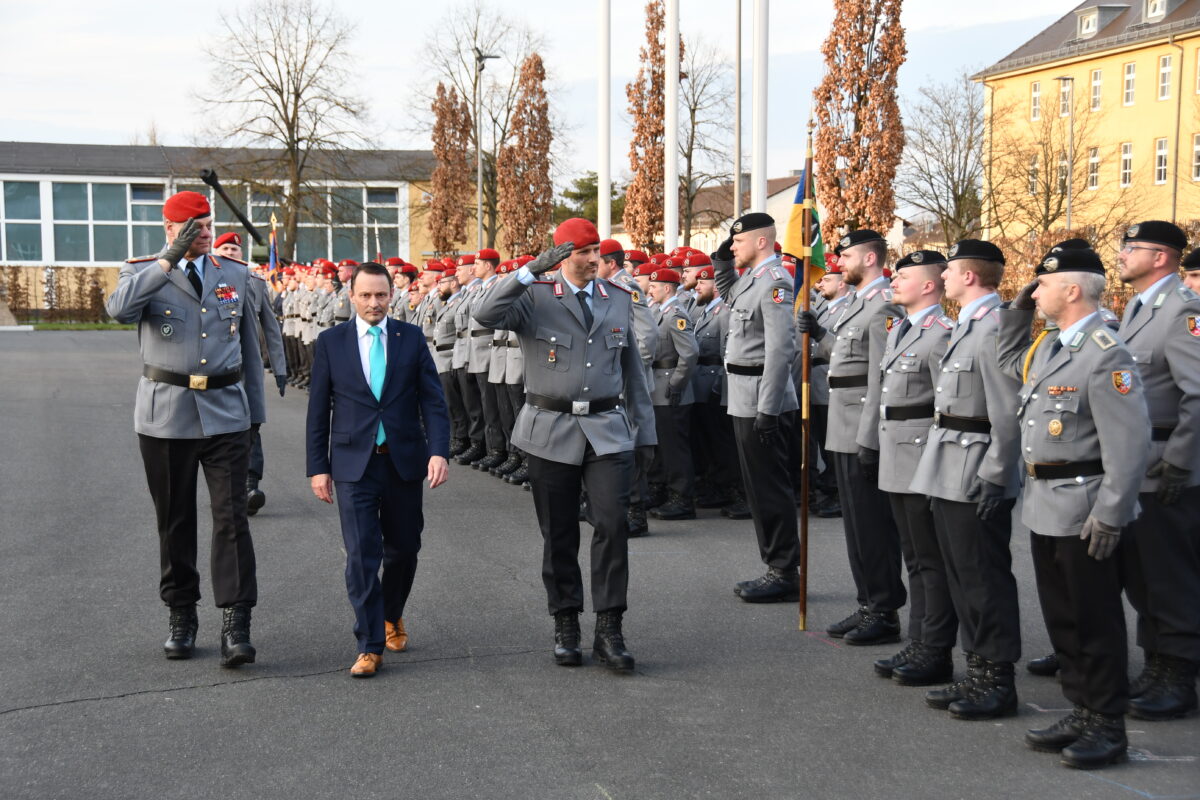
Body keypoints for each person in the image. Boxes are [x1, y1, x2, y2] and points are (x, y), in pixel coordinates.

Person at [473, 218, 656, 672]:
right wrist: (529, 271)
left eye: (596, 251)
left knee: (613, 525)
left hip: (607, 428)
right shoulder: (533, 297)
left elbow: (632, 370)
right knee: (558, 532)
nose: (594, 259)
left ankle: (609, 629)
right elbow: (485, 314)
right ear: (560, 255)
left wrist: (646, 432)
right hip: (550, 429)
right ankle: (566, 621)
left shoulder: (618, 298)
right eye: (583, 252)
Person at [997, 245, 1151, 770]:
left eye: (1041, 284)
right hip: (1045, 504)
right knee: (1063, 618)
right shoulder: (1049, 348)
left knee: (1095, 620)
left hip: (1086, 507)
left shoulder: (1106, 352)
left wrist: (1111, 512)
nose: (1034, 290)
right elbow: (1006, 365)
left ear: (1072, 288)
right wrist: (1017, 314)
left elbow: (1129, 445)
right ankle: (1081, 709)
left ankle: (1107, 723)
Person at [105, 191, 260, 667]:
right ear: (170, 229)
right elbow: (118, 310)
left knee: (232, 518)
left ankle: (236, 621)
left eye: (209, 224)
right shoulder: (141, 272)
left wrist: (255, 415)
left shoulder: (234, 274)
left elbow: (249, 347)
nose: (207, 233)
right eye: (195, 225)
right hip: (166, 415)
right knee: (174, 519)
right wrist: (168, 260)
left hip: (226, 413)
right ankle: (181, 614)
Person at [306, 261, 450, 678]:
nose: (373, 302)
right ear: (351, 296)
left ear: (392, 296)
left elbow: (434, 402)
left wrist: (438, 452)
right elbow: (318, 411)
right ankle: (369, 644)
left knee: (404, 549)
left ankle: (392, 613)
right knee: (362, 556)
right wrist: (319, 466)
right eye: (365, 295)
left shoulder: (410, 339)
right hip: (354, 465)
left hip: (404, 462)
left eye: (381, 295)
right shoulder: (331, 342)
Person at [910, 239, 1023, 721]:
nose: (945, 277)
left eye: (951, 269)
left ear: (970, 276)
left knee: (983, 576)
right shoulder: (968, 325)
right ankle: (976, 668)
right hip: (949, 465)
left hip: (975, 468)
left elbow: (1007, 413)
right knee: (960, 573)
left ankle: (996, 679)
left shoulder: (994, 326)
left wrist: (997, 476)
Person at [798, 229, 905, 641]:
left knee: (873, 525)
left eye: (846, 255)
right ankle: (867, 603)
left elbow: (881, 376)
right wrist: (822, 336)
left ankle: (884, 610)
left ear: (871, 259)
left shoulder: (883, 307)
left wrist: (870, 437)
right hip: (842, 426)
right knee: (856, 525)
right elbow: (844, 355)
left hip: (861, 424)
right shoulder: (857, 304)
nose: (838, 262)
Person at [1113, 221, 1200, 720]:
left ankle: (1179, 674)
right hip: (1136, 465)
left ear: (1162, 256)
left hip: (1166, 466)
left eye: (1133, 248)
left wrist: (1179, 464)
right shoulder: (1137, 308)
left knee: (1171, 576)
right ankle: (1155, 663)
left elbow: (1197, 395)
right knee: (1143, 575)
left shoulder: (1182, 313)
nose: (1122, 255)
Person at [868, 250, 955, 687]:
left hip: (920, 454)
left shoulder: (940, 334)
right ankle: (920, 639)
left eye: (904, 276)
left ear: (929, 285)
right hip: (897, 451)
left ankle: (934, 647)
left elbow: (947, 407)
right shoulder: (903, 329)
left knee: (929, 557)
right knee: (914, 555)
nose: (894, 281)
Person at [712, 212, 801, 604]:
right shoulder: (750, 279)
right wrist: (720, 262)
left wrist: (767, 408)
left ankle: (784, 570)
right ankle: (775, 565)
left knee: (770, 488)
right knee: (757, 486)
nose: (733, 247)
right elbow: (728, 292)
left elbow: (782, 349)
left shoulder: (775, 282)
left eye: (738, 241)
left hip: (763, 400)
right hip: (743, 396)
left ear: (761, 241)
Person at [645, 263, 699, 520]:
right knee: (660, 444)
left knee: (675, 447)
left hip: (669, 387)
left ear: (667, 288)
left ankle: (682, 497)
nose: (650, 289)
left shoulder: (676, 313)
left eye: (654, 286)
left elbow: (689, 354)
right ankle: (661, 489)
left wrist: (676, 384)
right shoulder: (658, 311)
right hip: (657, 386)